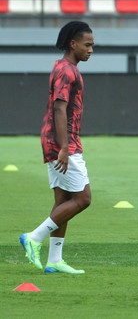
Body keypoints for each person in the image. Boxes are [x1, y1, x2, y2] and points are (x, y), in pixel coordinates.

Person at [20, 21, 94, 275]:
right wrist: (64, 147)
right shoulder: (67, 71)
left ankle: (55, 259)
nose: (91, 49)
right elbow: (59, 107)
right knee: (83, 198)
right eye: (87, 44)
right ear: (72, 44)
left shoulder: (65, 68)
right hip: (63, 142)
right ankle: (33, 237)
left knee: (63, 200)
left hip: (58, 140)